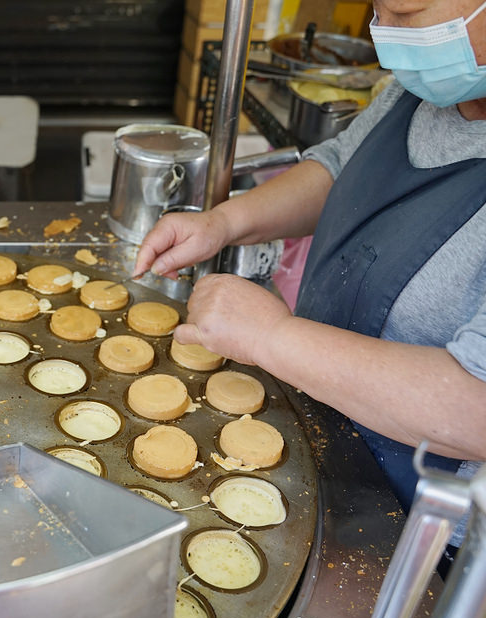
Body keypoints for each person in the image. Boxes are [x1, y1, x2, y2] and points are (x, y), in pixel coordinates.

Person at [134, 0, 486, 518]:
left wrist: (271, 337)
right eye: (377, 10)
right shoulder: (420, 94)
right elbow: (340, 167)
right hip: (316, 434)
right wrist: (223, 223)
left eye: (406, 14)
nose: (384, 35)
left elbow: (476, 408)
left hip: (414, 525)